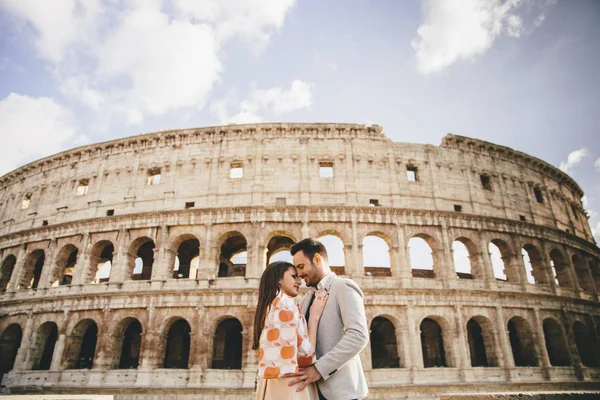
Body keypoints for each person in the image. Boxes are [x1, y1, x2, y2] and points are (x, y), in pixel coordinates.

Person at [288, 238, 369, 400]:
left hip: (342, 391)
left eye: (301, 266)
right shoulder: (306, 299)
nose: (299, 274)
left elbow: (358, 336)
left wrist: (319, 369)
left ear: (317, 259)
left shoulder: (343, 286)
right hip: (312, 391)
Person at [253, 261, 329, 400]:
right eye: (294, 277)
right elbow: (306, 353)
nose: (299, 281)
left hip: (270, 382)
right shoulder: (286, 304)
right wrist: (314, 318)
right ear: (279, 279)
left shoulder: (269, 306)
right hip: (292, 384)